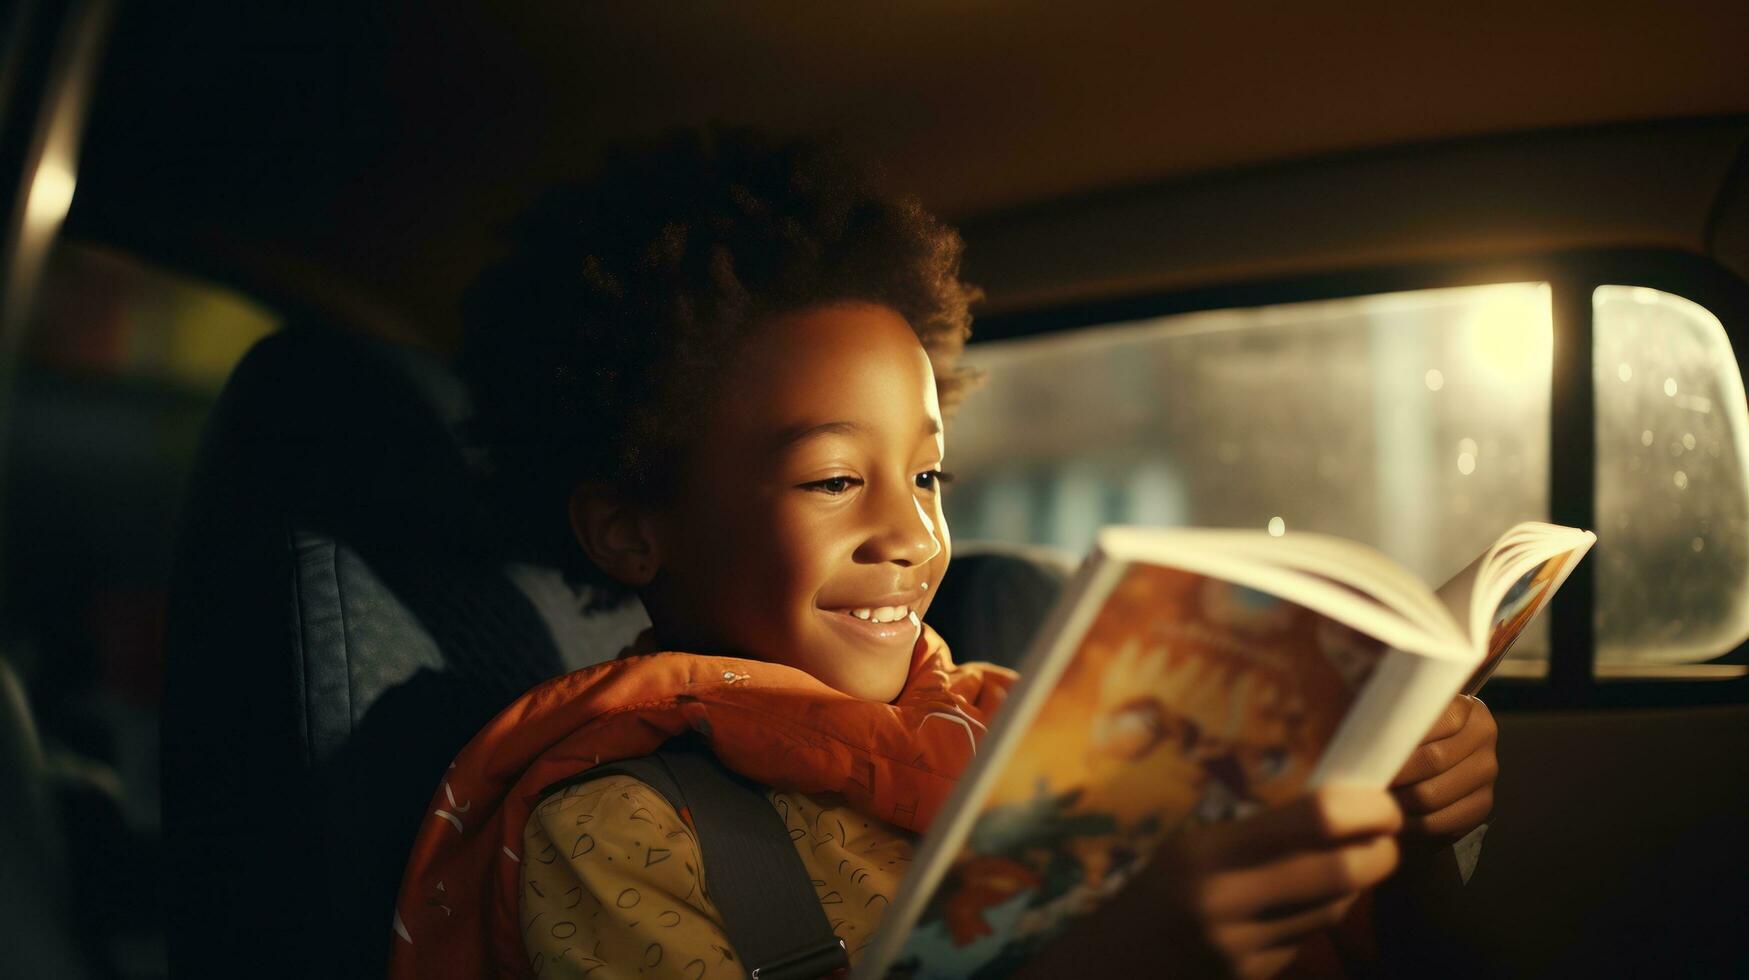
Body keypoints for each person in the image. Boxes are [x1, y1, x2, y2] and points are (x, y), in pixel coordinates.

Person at [386, 129, 1498, 979]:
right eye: (833, 479)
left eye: (928, 477)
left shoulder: (1028, 734)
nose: (914, 533)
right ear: (632, 527)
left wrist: (1397, 817)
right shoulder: (612, 824)